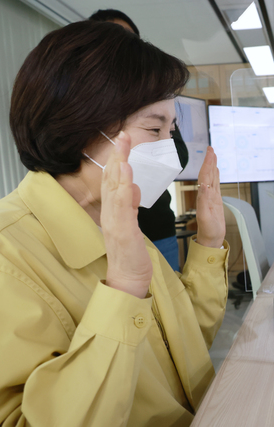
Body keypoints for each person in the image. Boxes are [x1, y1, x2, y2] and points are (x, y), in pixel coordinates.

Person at [0, 21, 229, 426]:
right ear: (81, 128)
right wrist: (124, 290)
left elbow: (185, 353)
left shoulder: (116, 224)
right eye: (154, 129)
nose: (170, 149)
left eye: (172, 130)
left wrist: (211, 243)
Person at [89, 9, 188, 272]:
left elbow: (177, 153)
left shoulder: (155, 96)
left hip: (155, 224)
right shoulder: (89, 104)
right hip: (100, 230)